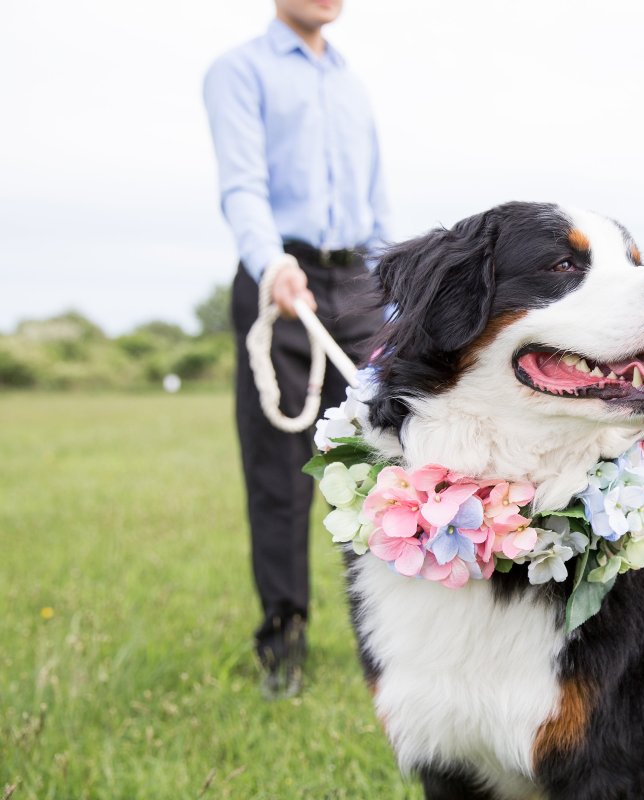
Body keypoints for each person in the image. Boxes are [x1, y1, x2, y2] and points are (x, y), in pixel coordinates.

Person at [203, 0, 392, 699]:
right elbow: (242, 187)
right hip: (278, 281)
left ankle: (384, 634)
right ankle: (283, 637)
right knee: (280, 478)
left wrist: (393, 296)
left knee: (376, 466)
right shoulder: (239, 72)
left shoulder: (352, 85)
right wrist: (271, 264)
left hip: (358, 284)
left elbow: (377, 206)